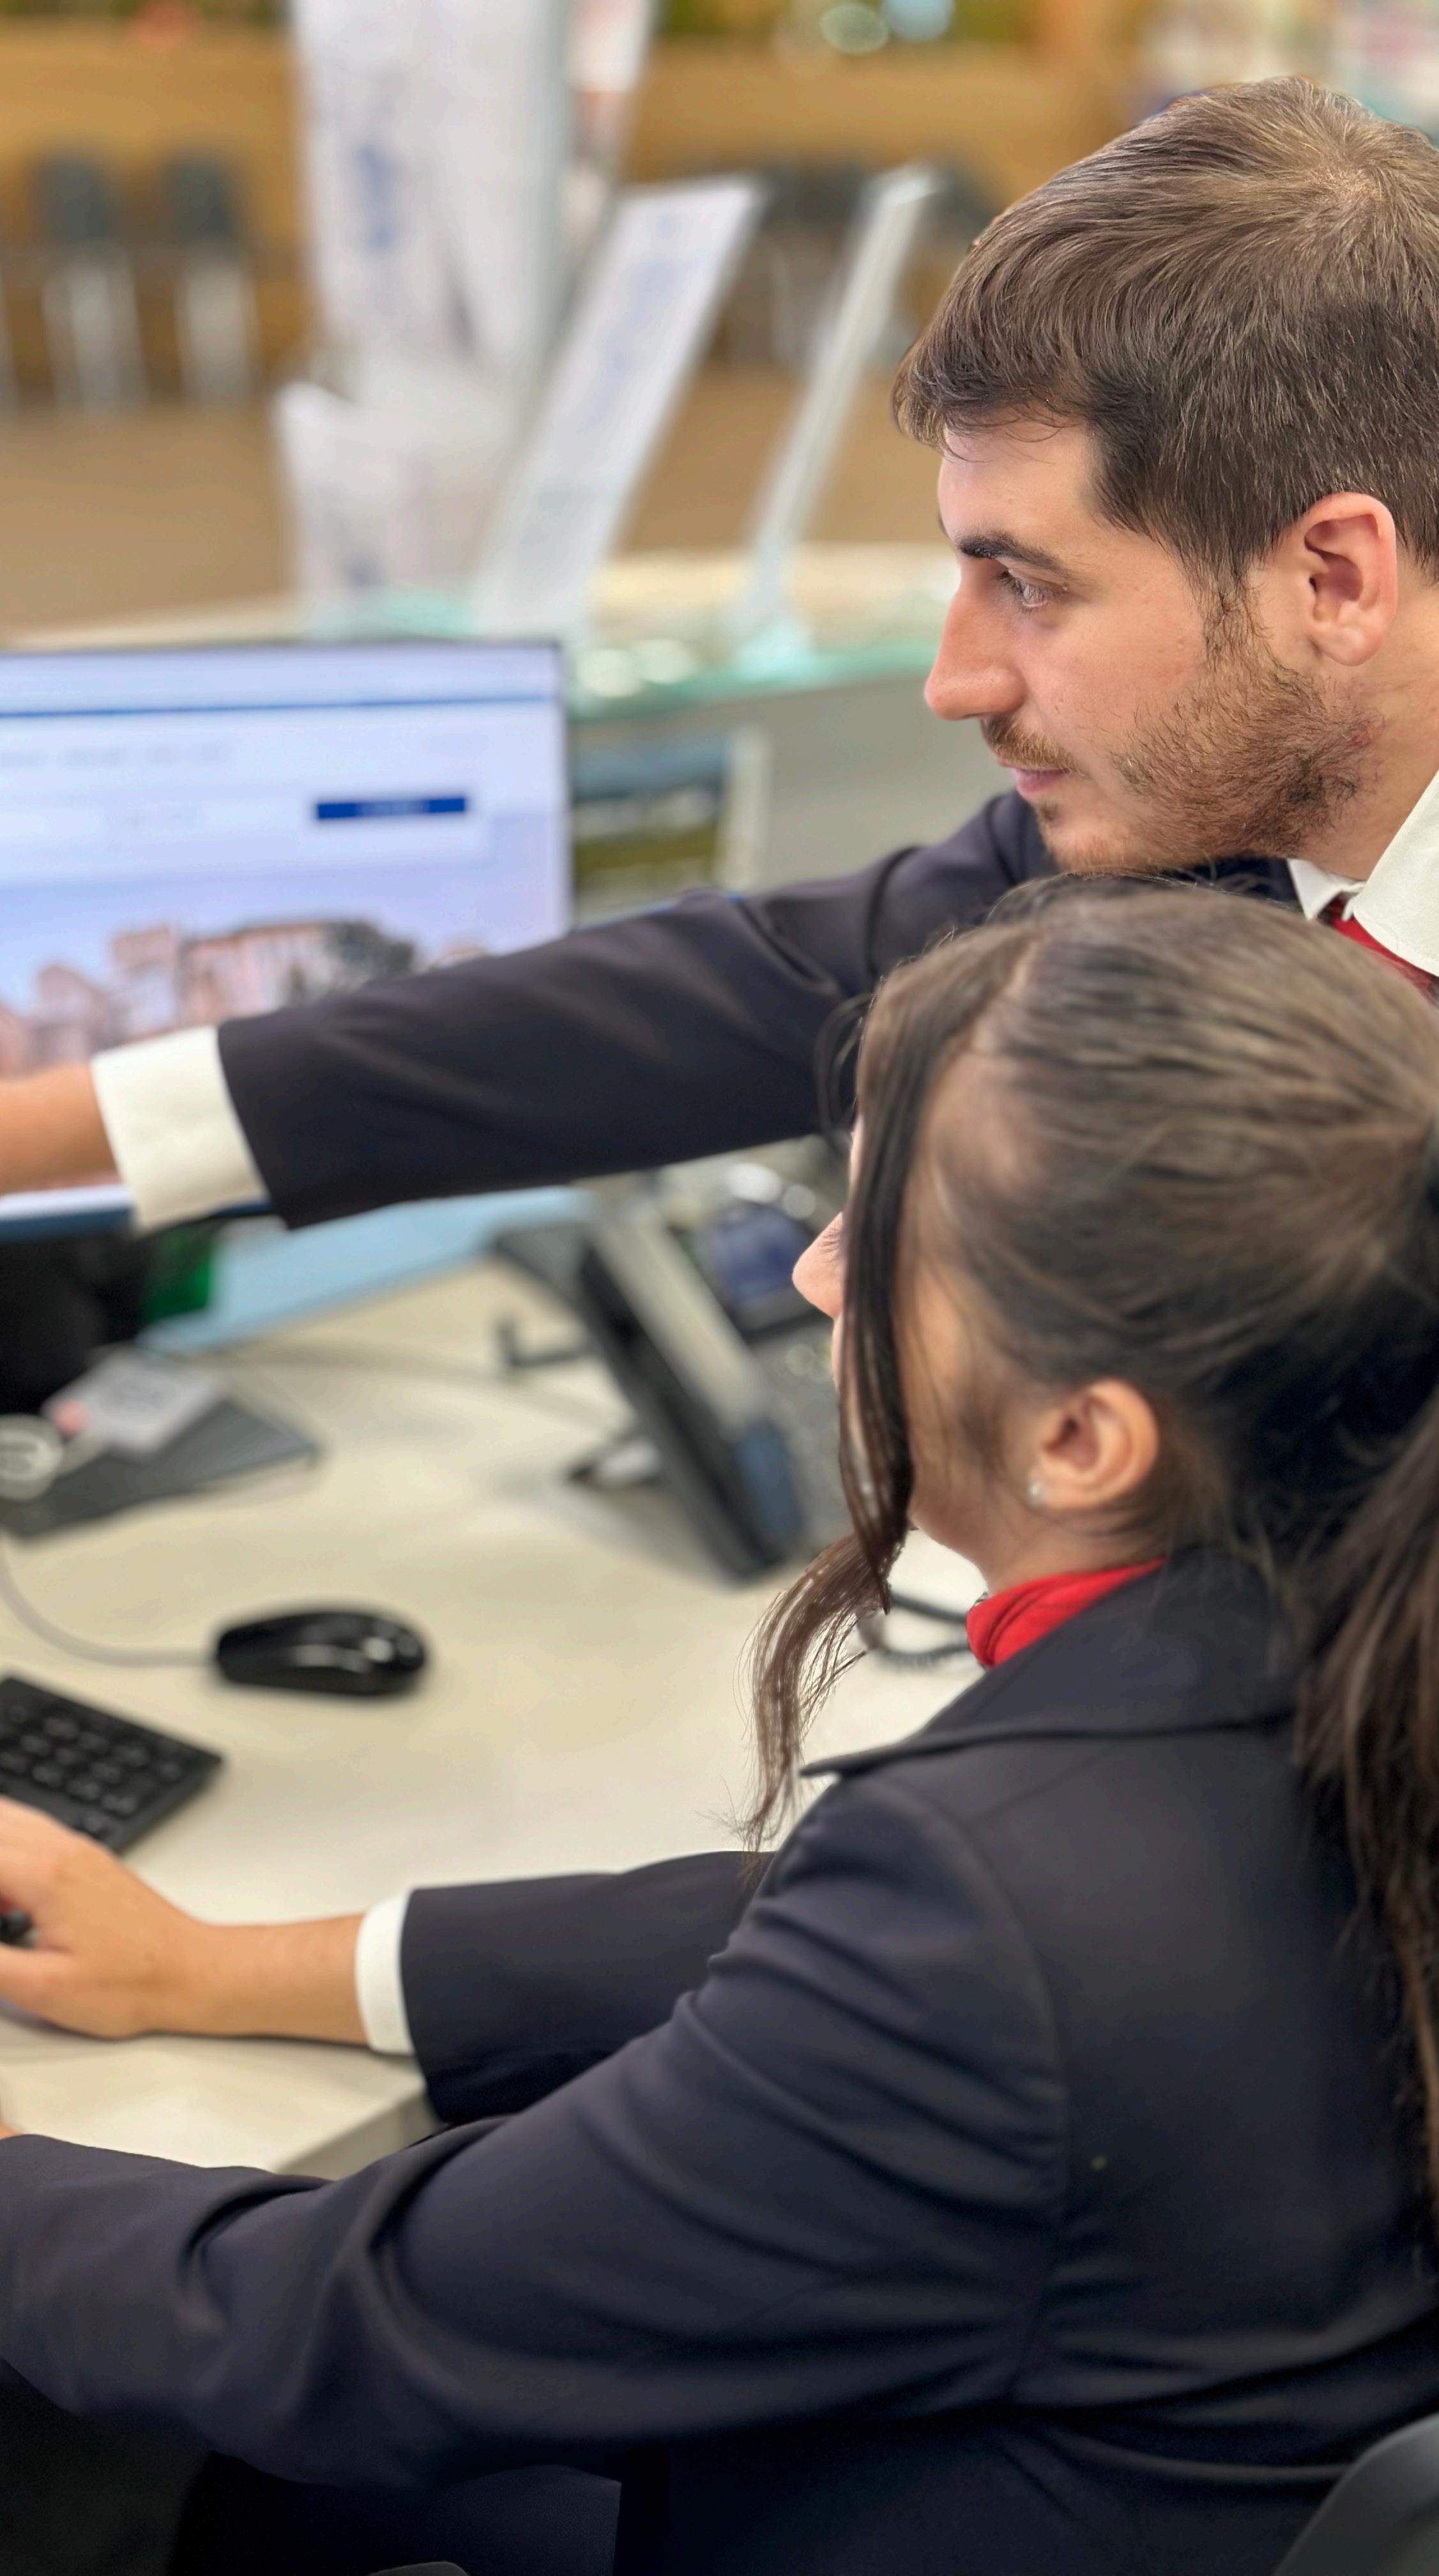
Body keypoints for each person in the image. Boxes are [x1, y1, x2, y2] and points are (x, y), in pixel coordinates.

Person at [4, 889, 1439, 2576]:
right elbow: (806, 1933)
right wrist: (218, 1969)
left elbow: (346, 2336)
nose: (814, 1281)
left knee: (236, 2481)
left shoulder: (1006, 1901)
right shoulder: (1309, 1643)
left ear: (1078, 1440)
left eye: (868, 1239)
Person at [4, 79, 1439, 1238]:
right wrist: (52, 1130)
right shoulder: (1194, 833)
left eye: (1027, 585)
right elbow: (720, 1003)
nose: (953, 683)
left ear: (1330, 579)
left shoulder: (1183, 810)